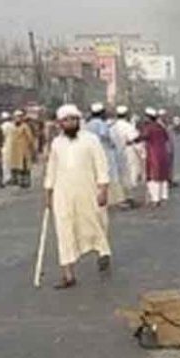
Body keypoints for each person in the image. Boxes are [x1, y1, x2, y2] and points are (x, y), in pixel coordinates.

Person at [44, 105, 111, 289]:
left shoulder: (91, 140)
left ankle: (103, 251)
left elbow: (101, 165)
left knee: (93, 223)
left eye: (73, 119)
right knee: (64, 231)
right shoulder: (57, 144)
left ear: (78, 120)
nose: (70, 123)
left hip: (87, 191)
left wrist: (103, 188)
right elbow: (51, 169)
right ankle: (68, 275)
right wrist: (48, 192)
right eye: (66, 120)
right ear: (60, 124)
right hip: (62, 194)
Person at [87, 103, 125, 206]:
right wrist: (111, 143)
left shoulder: (88, 124)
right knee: (109, 174)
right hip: (104, 151)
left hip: (91, 151)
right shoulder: (101, 123)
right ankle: (112, 199)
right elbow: (104, 135)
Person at [138, 108, 170, 207]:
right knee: (163, 177)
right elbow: (166, 138)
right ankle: (164, 197)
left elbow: (142, 137)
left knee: (153, 177)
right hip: (163, 153)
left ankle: (155, 199)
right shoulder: (160, 127)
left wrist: (132, 141)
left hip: (153, 155)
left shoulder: (148, 128)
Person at [110, 106, 141, 207]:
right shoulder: (128, 126)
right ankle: (129, 197)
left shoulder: (113, 127)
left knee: (119, 174)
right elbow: (134, 138)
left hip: (116, 152)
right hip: (128, 150)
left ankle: (121, 196)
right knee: (131, 173)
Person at [8, 110, 35, 189]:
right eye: (16, 117)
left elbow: (30, 138)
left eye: (19, 117)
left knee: (25, 167)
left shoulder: (25, 126)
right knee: (17, 167)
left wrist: (32, 148)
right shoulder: (12, 126)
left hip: (24, 150)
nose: (17, 118)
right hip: (15, 150)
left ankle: (26, 182)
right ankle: (19, 182)